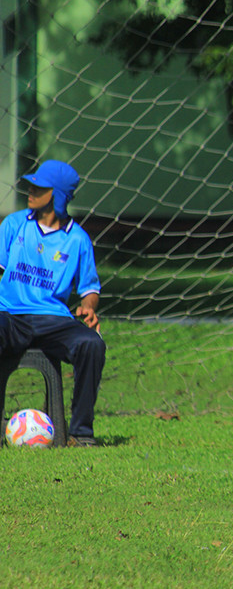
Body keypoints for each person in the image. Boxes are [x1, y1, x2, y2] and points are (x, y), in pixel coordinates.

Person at [0, 160, 105, 447]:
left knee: (91, 344)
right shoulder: (14, 224)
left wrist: (89, 306)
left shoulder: (78, 240)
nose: (30, 191)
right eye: (31, 184)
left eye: (39, 187)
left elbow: (89, 289)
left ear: (57, 195)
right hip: (10, 315)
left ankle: (81, 432)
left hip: (54, 321)